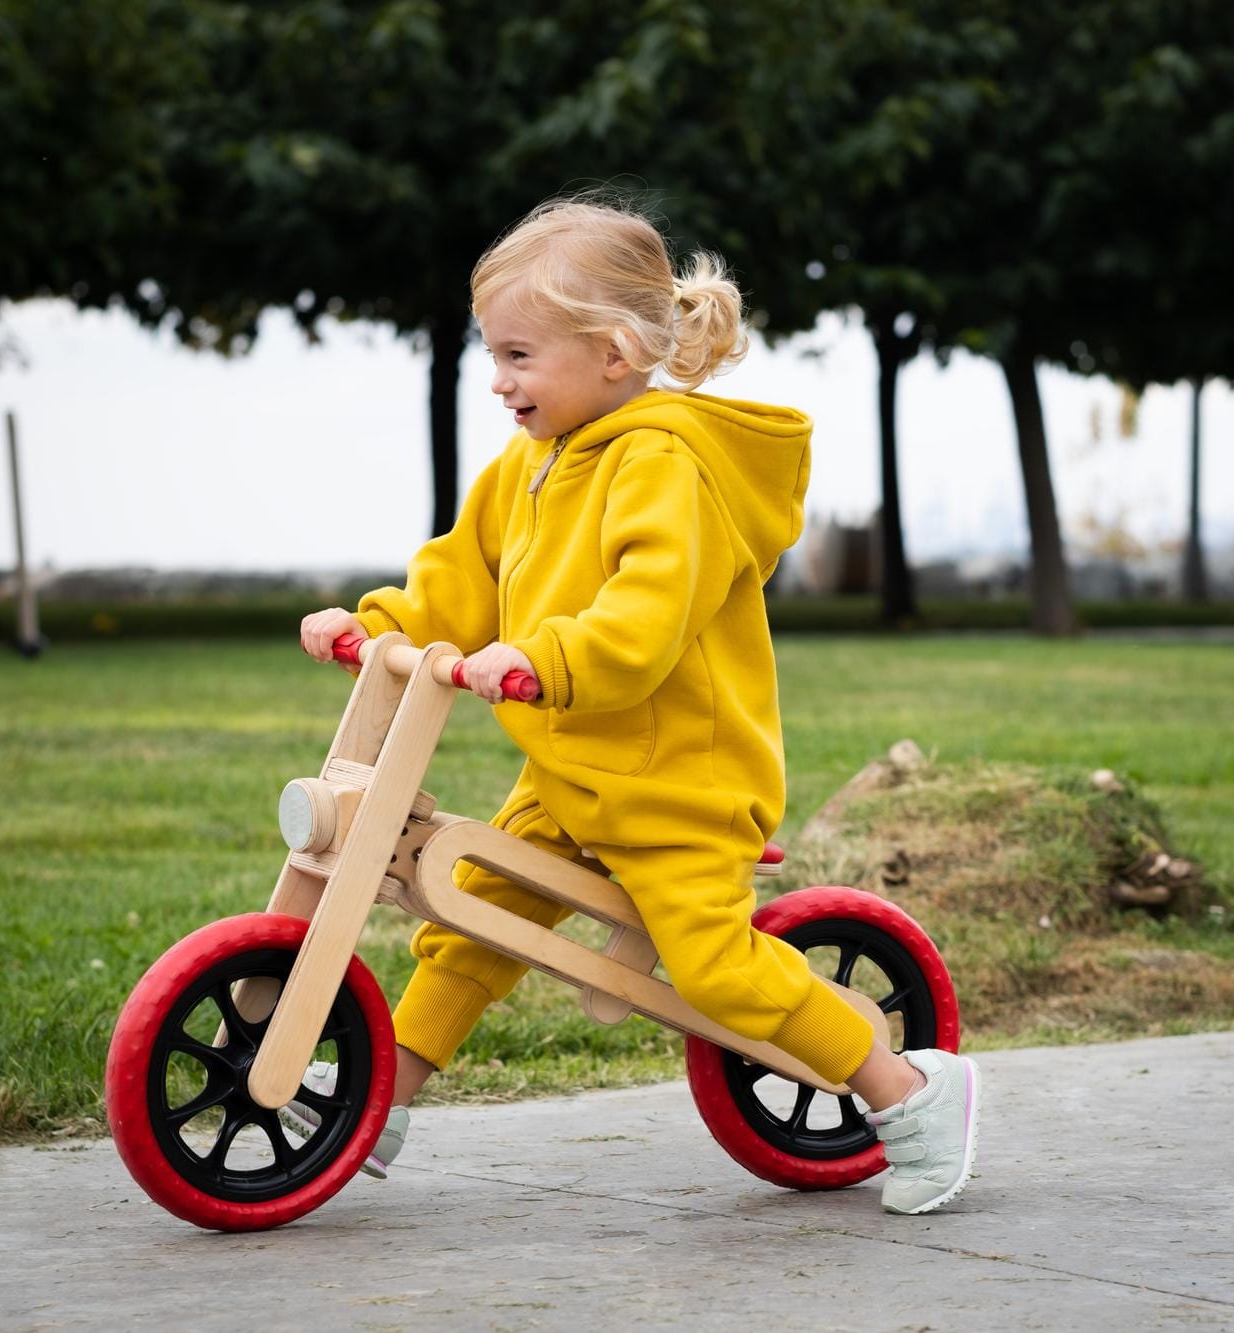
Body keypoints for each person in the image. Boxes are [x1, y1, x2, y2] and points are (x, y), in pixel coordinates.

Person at [292, 194, 977, 1215]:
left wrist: (543, 661)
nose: (498, 379)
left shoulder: (664, 465)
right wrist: (377, 624)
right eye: (493, 353)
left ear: (612, 353)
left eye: (519, 355)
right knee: (468, 911)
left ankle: (909, 1090)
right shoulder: (527, 466)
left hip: (677, 782)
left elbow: (643, 619)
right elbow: (460, 579)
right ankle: (384, 1092)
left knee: (715, 972)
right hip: (571, 770)